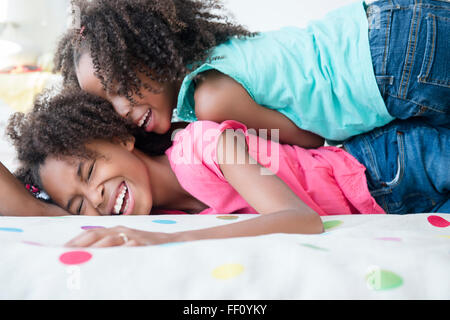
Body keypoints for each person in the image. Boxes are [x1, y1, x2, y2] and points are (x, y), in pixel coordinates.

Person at [5, 88, 448, 248]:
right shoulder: (167, 215)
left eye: (88, 174)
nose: (97, 200)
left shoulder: (201, 145)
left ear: (121, 138)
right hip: (387, 205)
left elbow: (302, 219)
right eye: (80, 206)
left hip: (389, 168)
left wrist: (163, 240)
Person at [55, 0, 449, 149]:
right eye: (106, 105)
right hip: (389, 26)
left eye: (123, 87)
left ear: (152, 54)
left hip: (389, 66)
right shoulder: (212, 60)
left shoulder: (211, 99)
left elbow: (307, 139)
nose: (121, 109)